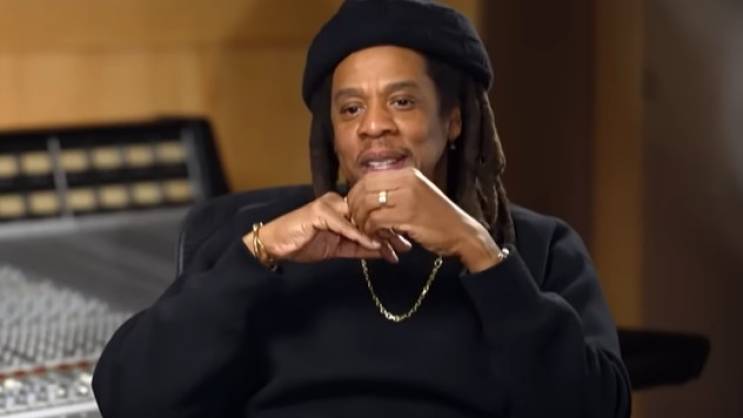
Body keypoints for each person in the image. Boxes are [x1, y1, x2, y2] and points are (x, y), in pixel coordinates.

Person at [92, 1, 631, 417]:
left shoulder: (536, 248)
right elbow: (127, 397)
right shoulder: (260, 239)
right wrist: (258, 253)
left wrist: (479, 253)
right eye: (350, 109)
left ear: (454, 120)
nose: (373, 126)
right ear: (333, 132)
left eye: (402, 101)